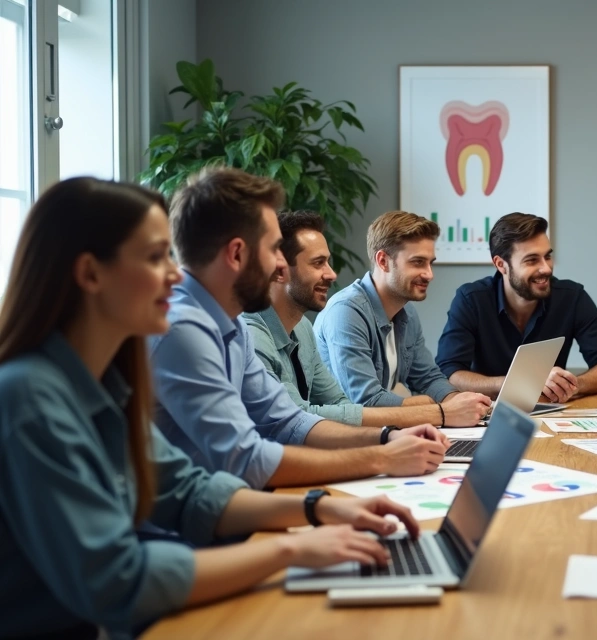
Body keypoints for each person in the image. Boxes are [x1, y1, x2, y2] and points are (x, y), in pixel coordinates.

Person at [0, 177, 421, 639]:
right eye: (155, 257)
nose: (176, 274)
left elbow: (185, 490)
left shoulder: (105, 379)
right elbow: (117, 580)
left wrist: (318, 509)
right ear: (91, 274)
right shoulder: (30, 397)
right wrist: (292, 551)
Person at [150, 169, 449, 490]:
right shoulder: (182, 330)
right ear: (237, 254)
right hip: (194, 524)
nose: (281, 267)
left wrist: (389, 436)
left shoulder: (230, 323)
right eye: (273, 249)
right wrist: (383, 457)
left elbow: (288, 421)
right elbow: (246, 459)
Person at [244, 211, 453, 429]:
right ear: (278, 270)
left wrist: (390, 439)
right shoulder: (250, 335)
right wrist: (434, 414)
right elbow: (298, 416)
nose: (332, 274)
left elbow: (341, 405)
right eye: (318, 263)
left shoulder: (302, 327)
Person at [314, 211, 492, 424]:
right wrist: (440, 409)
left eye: (430, 263)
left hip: (381, 432)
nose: (429, 274)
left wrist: (459, 401)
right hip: (339, 442)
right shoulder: (346, 312)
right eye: (417, 262)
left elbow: (428, 377)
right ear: (383, 261)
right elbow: (364, 402)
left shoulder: (406, 312)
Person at [435, 212, 597, 402]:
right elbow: (449, 374)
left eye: (547, 257)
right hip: (486, 415)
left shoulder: (572, 297)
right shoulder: (471, 300)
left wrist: (570, 385)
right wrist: (519, 383)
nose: (546, 268)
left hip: (553, 412)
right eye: (532, 260)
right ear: (501, 265)